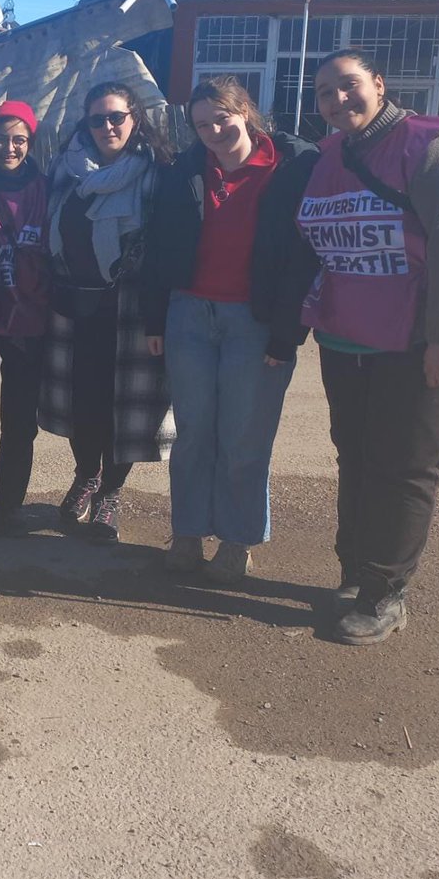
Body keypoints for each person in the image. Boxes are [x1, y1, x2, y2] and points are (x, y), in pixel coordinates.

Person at [296, 49, 439, 645]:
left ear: (379, 84)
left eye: (349, 85)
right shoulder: (330, 154)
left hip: (424, 337)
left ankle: (387, 591)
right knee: (356, 454)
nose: (338, 100)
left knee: (406, 464)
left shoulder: (434, 150)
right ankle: (357, 569)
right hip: (349, 333)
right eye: (325, 92)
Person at [143, 75, 319, 585]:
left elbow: (300, 259)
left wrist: (286, 333)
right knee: (193, 434)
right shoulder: (186, 172)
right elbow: (160, 246)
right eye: (202, 124)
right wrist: (156, 317)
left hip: (254, 321)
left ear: (245, 111)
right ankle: (188, 533)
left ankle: (238, 540)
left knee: (245, 436)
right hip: (190, 316)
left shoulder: (288, 171)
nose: (214, 130)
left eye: (221, 117)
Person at [39, 81, 174, 545]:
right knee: (83, 404)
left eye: (117, 116)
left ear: (134, 119)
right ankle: (85, 476)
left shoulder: (156, 172)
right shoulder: (65, 168)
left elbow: (165, 248)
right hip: (74, 305)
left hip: (130, 310)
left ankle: (111, 493)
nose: (107, 126)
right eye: (98, 119)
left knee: (125, 408)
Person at [0, 100, 50, 537]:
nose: (10, 148)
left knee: (18, 419)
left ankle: (11, 503)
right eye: (1, 138)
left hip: (29, 320)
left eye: (19, 139)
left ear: (30, 142)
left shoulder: (45, 187)